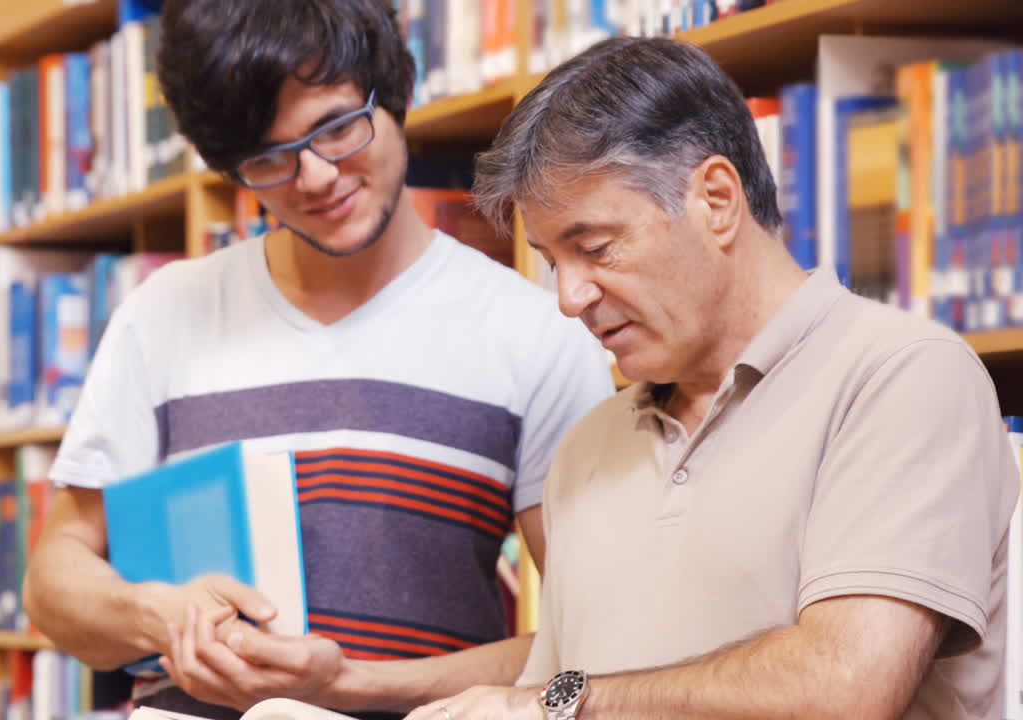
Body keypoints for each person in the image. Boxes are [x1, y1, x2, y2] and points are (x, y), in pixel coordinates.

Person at [21, 0, 615, 717]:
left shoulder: (536, 332)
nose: (314, 177)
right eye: (267, 158)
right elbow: (53, 582)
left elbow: (592, 639)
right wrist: (164, 618)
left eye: (336, 128)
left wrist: (348, 685)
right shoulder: (162, 314)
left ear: (395, 89)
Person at [405, 36, 1018, 720]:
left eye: (595, 248)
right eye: (553, 262)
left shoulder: (903, 378)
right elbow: (542, 704)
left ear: (718, 199)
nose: (569, 298)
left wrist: (571, 701)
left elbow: (846, 687)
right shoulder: (585, 448)